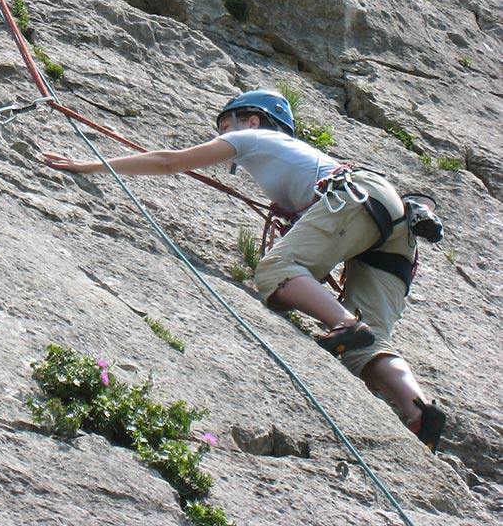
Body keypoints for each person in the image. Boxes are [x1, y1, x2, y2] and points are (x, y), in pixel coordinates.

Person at [42, 88, 446, 451]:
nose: (222, 135)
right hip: (392, 224)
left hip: (356, 197)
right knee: (368, 343)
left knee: (275, 270)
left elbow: (169, 162)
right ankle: (418, 412)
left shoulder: (251, 138)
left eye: (224, 125)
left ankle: (343, 324)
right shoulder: (300, 165)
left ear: (251, 121)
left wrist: (88, 165)